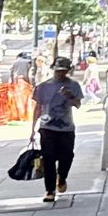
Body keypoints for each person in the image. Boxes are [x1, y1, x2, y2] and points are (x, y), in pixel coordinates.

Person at [33, 55, 84, 203]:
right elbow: (38, 108)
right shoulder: (43, 87)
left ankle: (61, 176)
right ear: (53, 69)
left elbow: (78, 105)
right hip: (47, 127)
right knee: (48, 158)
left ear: (68, 70)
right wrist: (32, 129)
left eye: (63, 71)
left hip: (66, 128)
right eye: (58, 70)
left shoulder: (73, 85)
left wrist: (70, 96)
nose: (60, 73)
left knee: (67, 157)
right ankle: (49, 190)